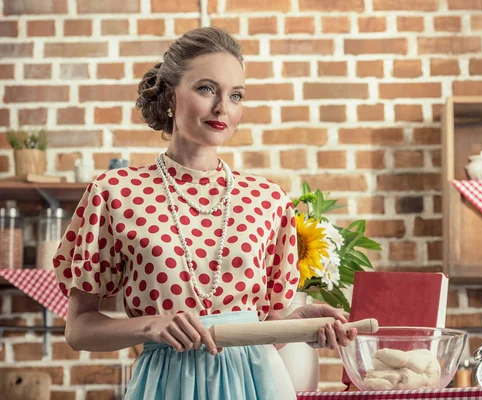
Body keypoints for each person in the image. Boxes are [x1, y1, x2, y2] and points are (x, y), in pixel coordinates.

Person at [52, 27, 357, 400]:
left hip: (259, 385)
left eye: (236, 95)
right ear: (169, 95)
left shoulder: (269, 200)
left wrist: (297, 326)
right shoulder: (115, 194)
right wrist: (151, 326)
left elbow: (263, 332)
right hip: (166, 385)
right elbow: (78, 329)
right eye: (206, 89)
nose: (222, 108)